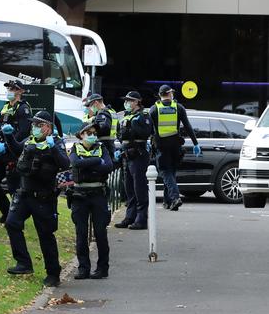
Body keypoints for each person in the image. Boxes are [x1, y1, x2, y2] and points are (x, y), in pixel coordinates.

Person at [3, 110, 70, 287]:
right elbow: (17, 150)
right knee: (12, 223)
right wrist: (9, 137)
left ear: (48, 128)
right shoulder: (30, 141)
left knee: (45, 235)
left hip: (44, 197)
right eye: (34, 124)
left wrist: (53, 148)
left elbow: (65, 163)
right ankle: (23, 263)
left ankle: (53, 273)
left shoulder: (55, 143)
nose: (35, 128)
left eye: (39, 125)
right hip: (25, 194)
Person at [68, 121, 113, 280]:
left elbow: (108, 167)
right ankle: (83, 268)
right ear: (81, 135)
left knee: (100, 232)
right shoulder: (75, 148)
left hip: (98, 194)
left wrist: (87, 165)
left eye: (94, 133)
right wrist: (96, 161)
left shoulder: (102, 148)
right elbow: (75, 163)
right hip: (80, 195)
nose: (93, 136)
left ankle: (102, 268)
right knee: (81, 233)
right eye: (89, 133)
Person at [149, 84, 201, 211]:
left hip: (161, 146)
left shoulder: (154, 109)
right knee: (171, 172)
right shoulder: (178, 107)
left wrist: (149, 142)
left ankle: (175, 197)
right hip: (175, 146)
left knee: (166, 173)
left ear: (160, 95)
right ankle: (169, 202)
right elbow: (188, 126)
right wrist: (195, 143)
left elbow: (150, 130)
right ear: (170, 94)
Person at [0, 80, 32, 224]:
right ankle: (6, 211)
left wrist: (8, 144)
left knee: (14, 188)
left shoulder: (23, 108)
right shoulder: (5, 107)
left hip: (14, 152)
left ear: (20, 91)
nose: (10, 91)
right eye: (8, 88)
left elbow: (23, 132)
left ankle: (17, 217)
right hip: (1, 151)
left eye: (13, 88)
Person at [114, 91, 153, 230]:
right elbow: (120, 134)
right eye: (126, 100)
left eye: (129, 100)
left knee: (139, 188)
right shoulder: (126, 116)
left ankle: (141, 220)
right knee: (129, 189)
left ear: (137, 102)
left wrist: (134, 125)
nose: (127, 103)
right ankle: (130, 217)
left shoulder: (144, 116)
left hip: (138, 155)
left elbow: (146, 132)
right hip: (127, 155)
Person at [83, 93, 118, 158]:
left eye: (90, 105)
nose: (90, 108)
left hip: (104, 144)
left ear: (96, 103)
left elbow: (104, 127)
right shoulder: (112, 111)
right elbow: (118, 128)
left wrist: (91, 130)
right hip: (111, 143)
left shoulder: (102, 113)